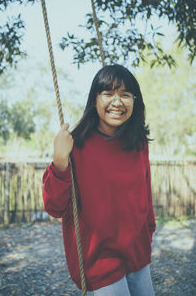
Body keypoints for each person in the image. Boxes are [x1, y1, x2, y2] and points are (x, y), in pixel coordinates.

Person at [42, 64, 156, 295]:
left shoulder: (138, 143)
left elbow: (146, 192)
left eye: (125, 94)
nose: (117, 102)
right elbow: (54, 207)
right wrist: (60, 162)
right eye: (108, 94)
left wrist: (148, 232)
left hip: (137, 251)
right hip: (99, 260)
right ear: (94, 100)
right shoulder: (77, 145)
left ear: (135, 101)